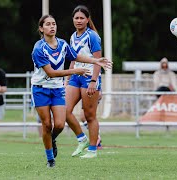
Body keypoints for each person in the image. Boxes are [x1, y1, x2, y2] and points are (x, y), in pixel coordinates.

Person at [31, 14, 111, 167]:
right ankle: (50, 160)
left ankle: (51, 139)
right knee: (47, 125)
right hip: (40, 90)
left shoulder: (62, 44)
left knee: (59, 125)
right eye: (48, 24)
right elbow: (51, 73)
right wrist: (75, 72)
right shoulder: (38, 48)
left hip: (57, 89)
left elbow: (76, 56)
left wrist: (95, 61)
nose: (52, 26)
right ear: (41, 29)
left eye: (54, 23)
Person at [65, 5, 104, 159]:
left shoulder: (92, 36)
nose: (79, 20)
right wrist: (67, 78)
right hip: (75, 76)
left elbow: (98, 61)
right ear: (73, 20)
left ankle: (93, 150)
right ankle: (82, 139)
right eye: (76, 18)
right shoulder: (73, 36)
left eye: (82, 18)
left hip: (89, 77)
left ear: (87, 20)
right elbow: (73, 59)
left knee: (89, 116)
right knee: (64, 111)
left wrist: (94, 81)